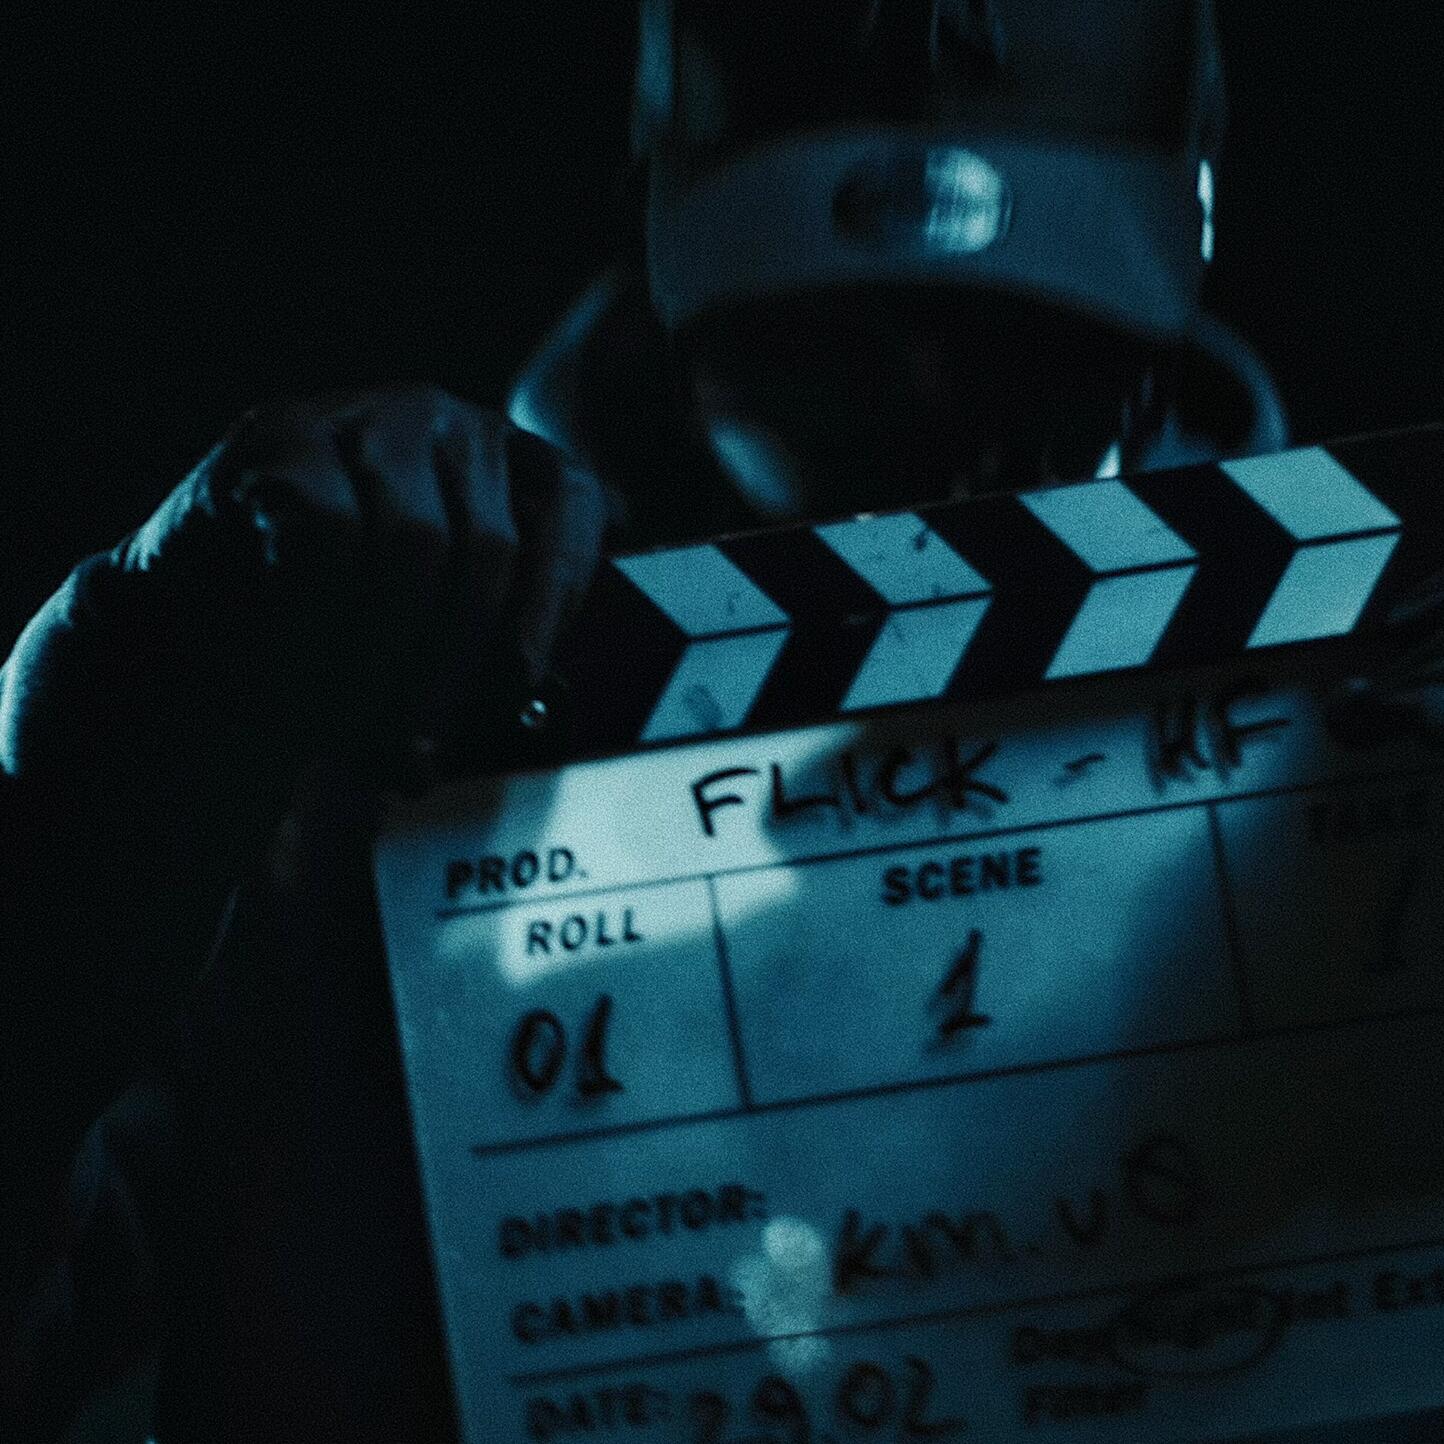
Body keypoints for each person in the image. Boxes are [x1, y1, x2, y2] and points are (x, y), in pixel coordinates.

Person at [2, 1, 1436, 1439]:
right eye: (822, 367)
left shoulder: (1375, 740)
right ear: (662, 263)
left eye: (1032, 364)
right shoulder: (311, 736)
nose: (932, 445)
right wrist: (80, 811)